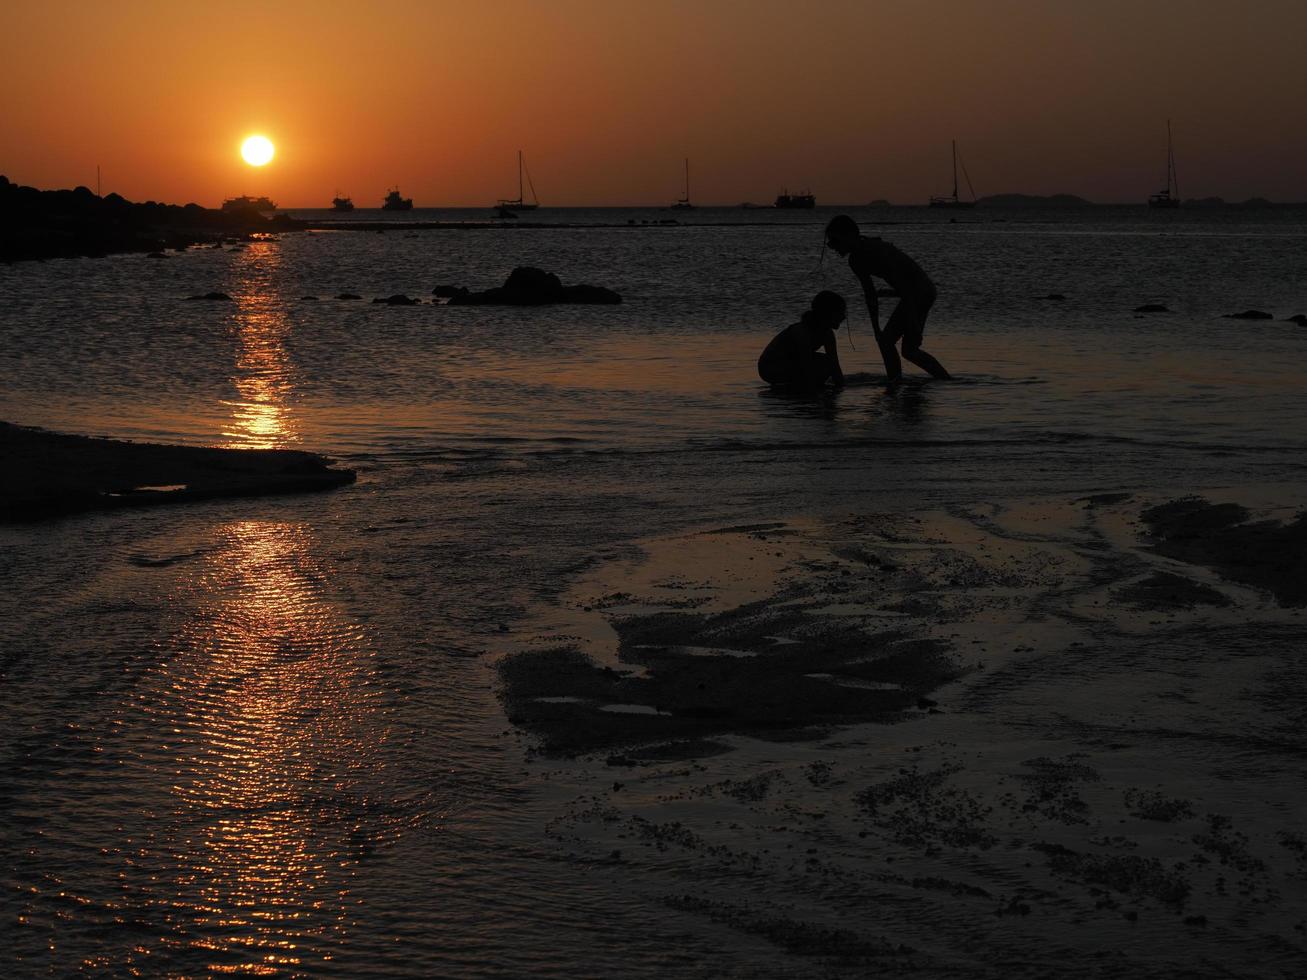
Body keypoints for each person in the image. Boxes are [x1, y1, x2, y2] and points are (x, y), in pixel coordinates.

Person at [824, 214, 951, 383]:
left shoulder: (874, 250)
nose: (833, 247)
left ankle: (940, 381)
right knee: (892, 344)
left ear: (850, 236)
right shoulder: (855, 260)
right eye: (830, 243)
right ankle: (898, 381)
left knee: (907, 349)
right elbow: (870, 294)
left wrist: (912, 321)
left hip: (920, 293)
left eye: (835, 241)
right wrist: (876, 328)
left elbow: (905, 281)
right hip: (914, 292)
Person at [757, 290, 848, 390]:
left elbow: (834, 364)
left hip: (791, 363)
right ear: (827, 313)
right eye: (840, 312)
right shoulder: (801, 332)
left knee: (828, 362)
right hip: (770, 367)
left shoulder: (828, 334)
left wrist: (841, 387)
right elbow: (806, 362)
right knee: (824, 363)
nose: (844, 317)